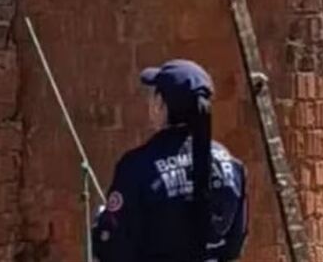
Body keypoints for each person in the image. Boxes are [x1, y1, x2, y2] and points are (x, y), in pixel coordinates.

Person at [93, 59, 248, 262]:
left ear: (160, 104)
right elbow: (234, 246)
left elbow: (113, 247)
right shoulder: (232, 166)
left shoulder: (137, 167)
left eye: (153, 95)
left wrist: (101, 223)